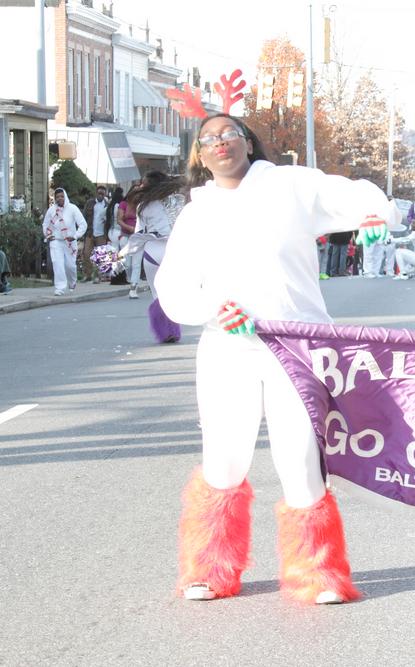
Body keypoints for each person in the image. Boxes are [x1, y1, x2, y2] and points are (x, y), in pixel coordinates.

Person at [156, 111, 392, 605]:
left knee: (301, 458)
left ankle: (318, 574)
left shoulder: (290, 186)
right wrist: (213, 312)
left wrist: (374, 218)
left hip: (298, 346)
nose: (221, 143)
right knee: (224, 456)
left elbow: (357, 196)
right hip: (228, 350)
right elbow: (172, 288)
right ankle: (209, 569)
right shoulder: (196, 213)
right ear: (199, 155)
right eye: (209, 139)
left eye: (230, 134)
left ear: (248, 141)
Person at [124, 171, 186, 343]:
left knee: (157, 294)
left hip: (152, 252)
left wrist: (124, 255)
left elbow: (139, 233)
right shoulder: (177, 201)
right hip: (173, 251)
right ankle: (173, 330)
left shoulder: (142, 206)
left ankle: (164, 332)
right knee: (172, 292)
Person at [42, 188, 87, 296]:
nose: (60, 198)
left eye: (62, 196)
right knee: (58, 264)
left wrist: (75, 236)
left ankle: (72, 282)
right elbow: (45, 224)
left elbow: (83, 224)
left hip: (70, 242)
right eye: (57, 197)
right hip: (56, 241)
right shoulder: (51, 210)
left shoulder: (72, 208)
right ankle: (60, 288)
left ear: (65, 196)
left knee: (70, 266)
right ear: (55, 198)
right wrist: (48, 235)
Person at [82, 185, 110, 283]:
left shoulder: (107, 205)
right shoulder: (90, 203)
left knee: (100, 256)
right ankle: (88, 275)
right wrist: (83, 231)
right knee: (86, 254)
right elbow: (84, 217)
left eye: (102, 193)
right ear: (96, 193)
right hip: (90, 233)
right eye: (99, 193)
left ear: (105, 194)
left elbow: (109, 220)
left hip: (102, 234)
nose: (100, 195)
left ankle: (98, 276)